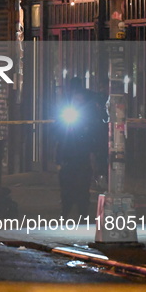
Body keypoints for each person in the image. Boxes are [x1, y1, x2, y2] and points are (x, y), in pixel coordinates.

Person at [55, 78, 98, 219]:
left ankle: (83, 213)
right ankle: (66, 211)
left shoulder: (89, 114)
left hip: (82, 158)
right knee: (67, 187)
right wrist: (59, 160)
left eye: (79, 100)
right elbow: (59, 136)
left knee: (82, 188)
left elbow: (93, 136)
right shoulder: (67, 113)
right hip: (68, 158)